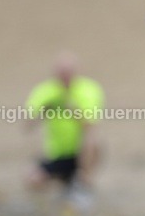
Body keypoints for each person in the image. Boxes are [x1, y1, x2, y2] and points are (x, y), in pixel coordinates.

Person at [25, 51, 103, 201]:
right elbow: (27, 124)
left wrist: (74, 111)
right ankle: (64, 186)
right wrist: (44, 111)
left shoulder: (88, 90)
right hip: (57, 154)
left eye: (68, 72)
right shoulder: (46, 91)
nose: (65, 76)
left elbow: (90, 126)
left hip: (81, 153)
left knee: (92, 140)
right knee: (32, 180)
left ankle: (84, 182)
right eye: (62, 72)